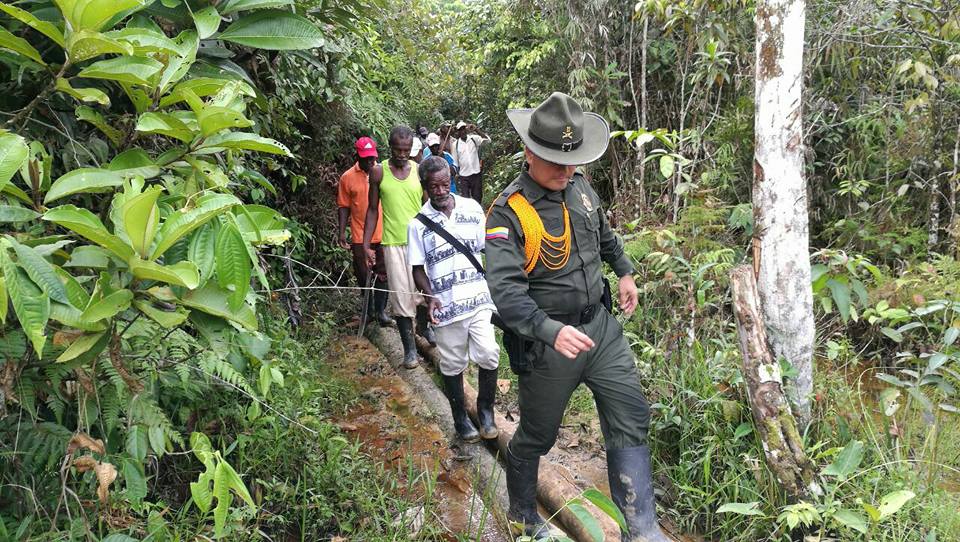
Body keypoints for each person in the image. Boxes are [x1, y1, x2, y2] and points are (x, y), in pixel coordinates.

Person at [485, 92, 668, 541]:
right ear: (529, 153)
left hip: (601, 330)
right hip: (549, 344)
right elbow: (506, 294)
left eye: (572, 164)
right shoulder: (508, 213)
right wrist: (550, 331)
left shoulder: (580, 186)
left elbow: (603, 234)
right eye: (555, 165)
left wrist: (624, 271)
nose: (565, 173)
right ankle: (525, 518)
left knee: (631, 413)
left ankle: (641, 528)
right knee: (536, 436)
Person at [407, 156, 499, 443]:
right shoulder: (418, 224)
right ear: (424, 186)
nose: (441, 190)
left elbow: (489, 250)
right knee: (452, 363)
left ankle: (485, 412)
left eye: (446, 184)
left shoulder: (472, 209)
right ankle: (460, 418)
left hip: (478, 298)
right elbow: (417, 268)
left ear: (453, 180)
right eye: (434, 186)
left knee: (488, 352)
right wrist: (429, 296)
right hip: (445, 305)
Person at [362, 126, 435, 369]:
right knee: (401, 297)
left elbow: (428, 204)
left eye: (406, 150)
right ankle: (410, 349)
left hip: (421, 241)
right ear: (390, 147)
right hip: (393, 243)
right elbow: (373, 210)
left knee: (424, 290)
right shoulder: (378, 172)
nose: (402, 154)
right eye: (398, 149)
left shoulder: (418, 169)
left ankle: (424, 328)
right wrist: (366, 244)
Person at [337, 136, 392, 327]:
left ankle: (381, 312)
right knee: (363, 273)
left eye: (373, 158)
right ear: (357, 156)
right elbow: (343, 206)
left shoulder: (383, 173)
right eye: (366, 158)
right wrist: (342, 232)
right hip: (360, 235)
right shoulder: (347, 178)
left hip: (383, 233)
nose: (370, 162)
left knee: (383, 273)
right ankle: (367, 313)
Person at [451, 120, 490, 203]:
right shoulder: (455, 145)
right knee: (466, 200)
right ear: (458, 132)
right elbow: (455, 162)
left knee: (477, 198)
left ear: (466, 129)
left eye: (464, 129)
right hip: (464, 176)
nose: (462, 131)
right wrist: (456, 175)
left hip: (476, 174)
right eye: (460, 130)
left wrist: (476, 130)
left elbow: (488, 140)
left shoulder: (474, 139)